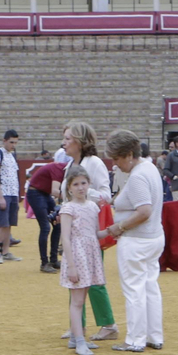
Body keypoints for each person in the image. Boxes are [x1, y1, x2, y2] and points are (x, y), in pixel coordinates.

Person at [104, 129, 165, 353]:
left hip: (137, 241)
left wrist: (118, 227)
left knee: (134, 290)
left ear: (129, 155)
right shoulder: (149, 168)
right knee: (150, 286)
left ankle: (135, 340)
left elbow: (144, 211)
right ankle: (154, 335)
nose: (116, 163)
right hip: (153, 238)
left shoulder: (138, 175)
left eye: (117, 158)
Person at [61, 121, 119, 343]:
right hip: (74, 227)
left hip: (88, 229)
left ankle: (108, 323)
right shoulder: (71, 165)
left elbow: (106, 194)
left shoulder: (93, 163)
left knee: (94, 279)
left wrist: (82, 193)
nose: (64, 143)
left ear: (80, 141)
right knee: (73, 278)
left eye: (68, 139)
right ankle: (78, 326)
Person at [58, 168, 103, 355]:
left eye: (83, 183)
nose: (80, 187)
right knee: (77, 301)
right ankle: (79, 341)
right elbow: (66, 238)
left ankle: (75, 338)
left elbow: (96, 234)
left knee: (82, 298)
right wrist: (71, 265)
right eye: (75, 184)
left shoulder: (93, 207)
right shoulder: (68, 208)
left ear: (89, 184)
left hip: (89, 255)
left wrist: (114, 231)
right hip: (76, 256)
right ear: (69, 188)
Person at [26, 156, 66, 273]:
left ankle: (53, 260)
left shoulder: (60, 168)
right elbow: (55, 191)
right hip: (36, 193)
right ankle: (44, 263)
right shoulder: (58, 168)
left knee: (57, 225)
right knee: (45, 227)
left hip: (43, 193)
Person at [0, 129, 22, 264]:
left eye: (15, 142)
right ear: (4, 141)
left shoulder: (11, 155)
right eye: (11, 142)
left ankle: (6, 251)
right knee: (2, 224)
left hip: (12, 193)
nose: (13, 145)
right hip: (3, 193)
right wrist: (0, 196)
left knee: (9, 224)